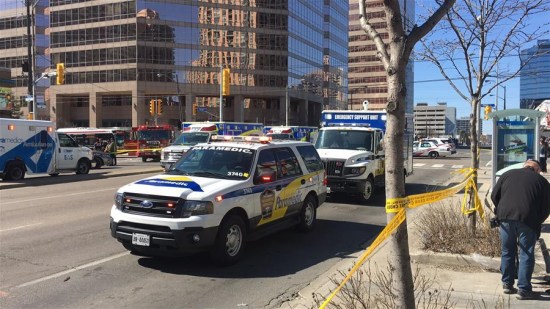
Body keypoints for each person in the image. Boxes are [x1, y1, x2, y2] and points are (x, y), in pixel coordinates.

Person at [490, 159, 550, 300]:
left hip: (505, 218)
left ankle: (507, 284)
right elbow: (547, 206)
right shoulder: (541, 181)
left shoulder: (508, 174)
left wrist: (501, 210)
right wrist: (538, 220)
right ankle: (523, 290)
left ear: (524, 166)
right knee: (526, 254)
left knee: (507, 251)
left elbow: (494, 195)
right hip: (528, 220)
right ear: (536, 170)